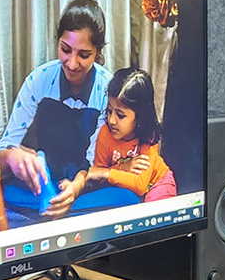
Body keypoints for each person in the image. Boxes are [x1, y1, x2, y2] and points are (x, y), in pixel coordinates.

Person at [0, 0, 113, 217]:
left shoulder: (107, 89)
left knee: (126, 199)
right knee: (1, 195)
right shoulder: (39, 80)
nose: (72, 63)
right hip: (40, 187)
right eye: (66, 49)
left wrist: (76, 188)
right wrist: (12, 156)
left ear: (98, 52)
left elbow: (101, 162)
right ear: (57, 41)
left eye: (84, 55)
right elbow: (1, 153)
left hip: (85, 186)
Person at [69, 67, 177, 202]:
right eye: (109, 111)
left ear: (139, 117)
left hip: (157, 184)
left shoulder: (148, 137)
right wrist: (121, 168)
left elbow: (140, 184)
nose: (112, 120)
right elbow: (98, 176)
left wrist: (109, 172)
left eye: (120, 115)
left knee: (151, 214)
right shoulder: (105, 134)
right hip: (126, 190)